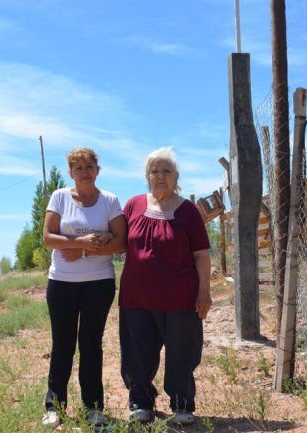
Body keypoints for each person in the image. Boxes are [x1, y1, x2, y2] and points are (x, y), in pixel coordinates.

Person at [119, 147, 212, 426]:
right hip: (136, 297)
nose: (160, 176)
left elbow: (201, 255)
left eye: (166, 171)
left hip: (180, 298)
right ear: (147, 176)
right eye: (154, 171)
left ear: (176, 177)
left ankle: (182, 404)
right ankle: (140, 401)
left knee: (182, 353)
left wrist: (204, 292)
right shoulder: (133, 205)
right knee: (137, 352)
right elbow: (118, 241)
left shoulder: (188, 211)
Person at [41, 147, 127, 429]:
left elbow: (121, 242)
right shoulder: (59, 197)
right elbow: (48, 238)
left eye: (89, 167)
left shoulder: (109, 201)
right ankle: (54, 407)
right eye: (78, 168)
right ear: (70, 172)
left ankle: (93, 408)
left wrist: (85, 252)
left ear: (97, 170)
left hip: (98, 283)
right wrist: (82, 242)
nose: (84, 172)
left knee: (90, 345)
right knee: (62, 345)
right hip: (62, 282)